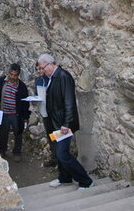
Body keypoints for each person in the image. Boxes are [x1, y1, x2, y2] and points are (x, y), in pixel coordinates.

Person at [37, 53, 93, 190]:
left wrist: (66, 124)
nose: (41, 70)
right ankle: (65, 177)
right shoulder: (51, 77)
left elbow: (69, 102)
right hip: (54, 123)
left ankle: (85, 181)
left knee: (63, 154)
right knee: (57, 151)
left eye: (42, 67)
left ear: (50, 64)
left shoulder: (63, 76)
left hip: (62, 125)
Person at [0, 63, 30, 162]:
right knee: (2, 133)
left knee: (18, 133)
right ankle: (2, 150)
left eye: (15, 75)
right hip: (4, 113)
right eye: (11, 74)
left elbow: (25, 103)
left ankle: (17, 152)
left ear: (18, 75)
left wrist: (25, 116)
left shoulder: (22, 87)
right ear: (8, 73)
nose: (13, 77)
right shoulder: (1, 82)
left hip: (16, 115)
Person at [35, 62, 57, 167]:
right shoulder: (38, 80)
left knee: (57, 135)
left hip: (54, 112)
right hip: (44, 112)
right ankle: (54, 156)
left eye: (40, 69)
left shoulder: (51, 79)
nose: (39, 71)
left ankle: (60, 157)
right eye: (37, 69)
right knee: (50, 135)